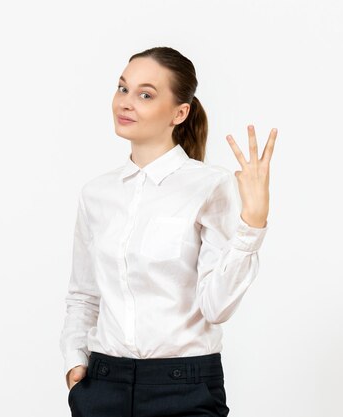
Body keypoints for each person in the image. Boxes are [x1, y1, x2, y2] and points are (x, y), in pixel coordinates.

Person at [59, 46, 278, 417]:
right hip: (102, 385)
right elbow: (84, 295)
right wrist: (74, 362)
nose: (126, 102)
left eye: (146, 94)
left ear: (180, 112)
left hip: (183, 387)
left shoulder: (210, 186)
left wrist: (251, 227)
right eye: (123, 88)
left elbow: (216, 306)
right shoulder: (96, 193)